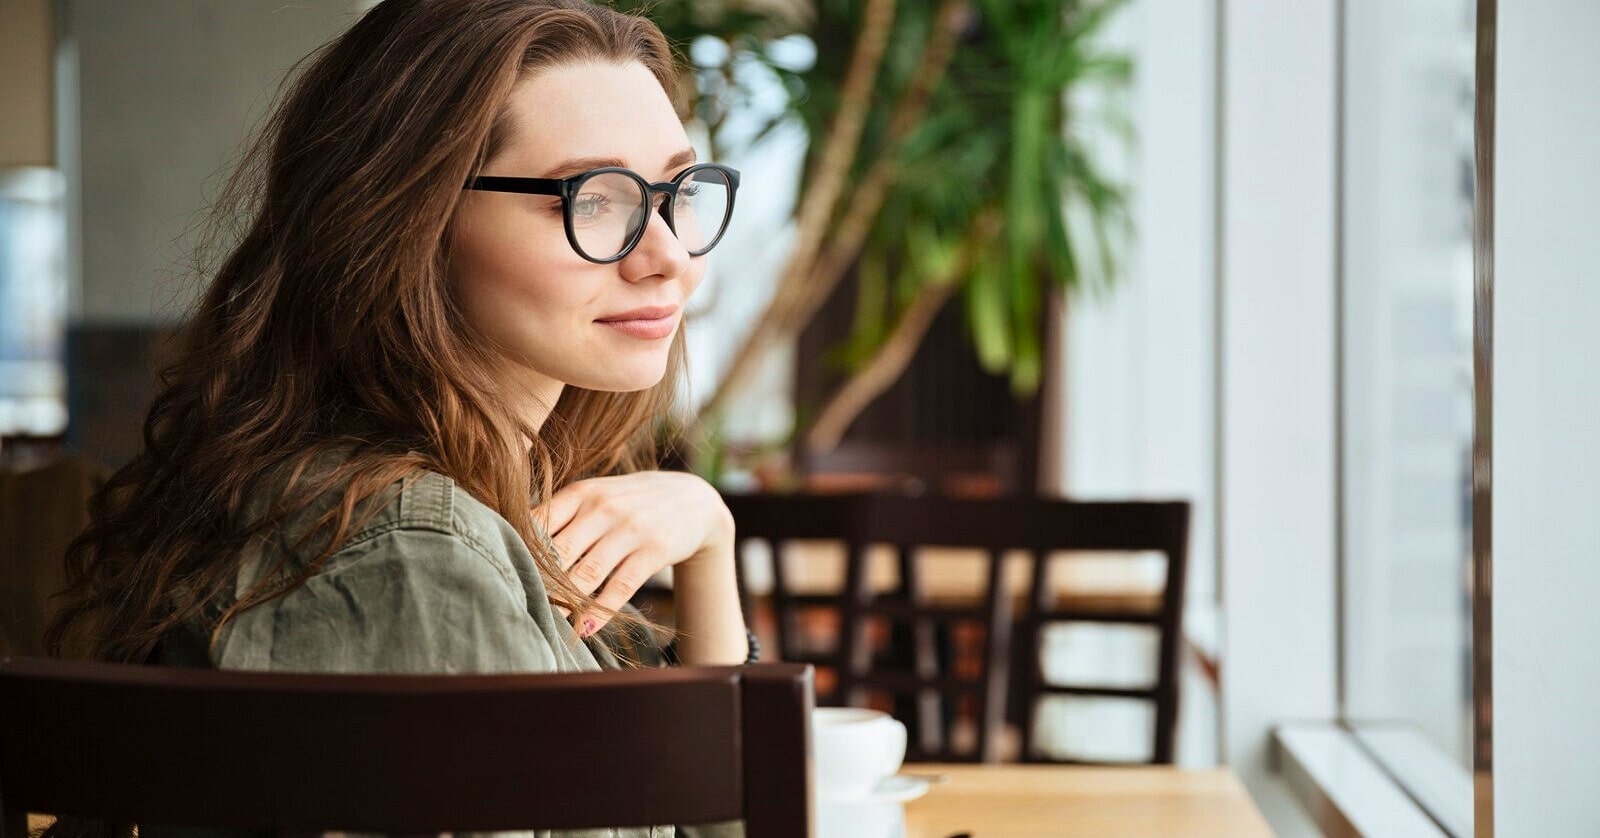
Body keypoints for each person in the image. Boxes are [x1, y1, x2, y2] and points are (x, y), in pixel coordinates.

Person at [45, 1, 750, 835]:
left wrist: (709, 540)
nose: (669, 254)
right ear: (415, 218)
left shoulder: (482, 496)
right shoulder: (411, 555)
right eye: (593, 199)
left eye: (677, 191)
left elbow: (710, 815)